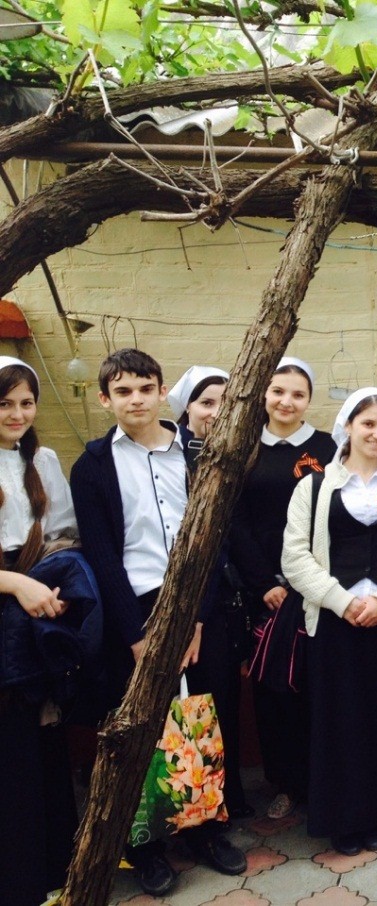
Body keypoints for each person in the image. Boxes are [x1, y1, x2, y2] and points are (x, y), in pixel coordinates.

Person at [70, 348, 247, 896]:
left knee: (202, 717)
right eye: (123, 391)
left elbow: (212, 540)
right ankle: (143, 845)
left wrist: (196, 617)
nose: (136, 400)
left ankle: (204, 831)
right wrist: (136, 634)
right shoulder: (93, 466)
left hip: (197, 605)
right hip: (134, 605)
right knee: (142, 727)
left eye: (145, 389)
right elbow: (102, 555)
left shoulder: (195, 455)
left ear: (162, 391)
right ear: (106, 399)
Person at [280, 387, 377, 855]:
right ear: (348, 425)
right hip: (333, 621)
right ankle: (343, 818)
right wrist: (341, 602)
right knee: (339, 721)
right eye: (368, 424)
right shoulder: (312, 486)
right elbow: (294, 556)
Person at [228, 357, 336, 820]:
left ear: (309, 400)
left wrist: (317, 580)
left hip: (321, 587)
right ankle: (286, 782)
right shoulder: (246, 449)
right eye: (278, 392)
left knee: (319, 685)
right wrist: (263, 584)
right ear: (264, 395)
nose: (286, 402)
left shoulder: (327, 447)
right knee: (276, 690)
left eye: (297, 394)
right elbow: (235, 522)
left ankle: (324, 780)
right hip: (268, 592)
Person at [0, 357, 80, 906]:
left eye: (26, 402)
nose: (17, 414)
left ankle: (53, 869)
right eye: (5, 403)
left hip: (38, 610)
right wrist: (14, 584)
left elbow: (65, 534)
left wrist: (51, 586)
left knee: (42, 741)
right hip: (12, 599)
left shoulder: (42, 461)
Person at [166, 364, 252, 818]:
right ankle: (192, 807)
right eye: (206, 403)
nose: (216, 412)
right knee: (188, 705)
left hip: (223, 601)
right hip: (181, 601)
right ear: (186, 409)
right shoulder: (172, 457)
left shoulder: (235, 455)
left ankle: (227, 794)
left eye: (226, 403)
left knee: (223, 700)